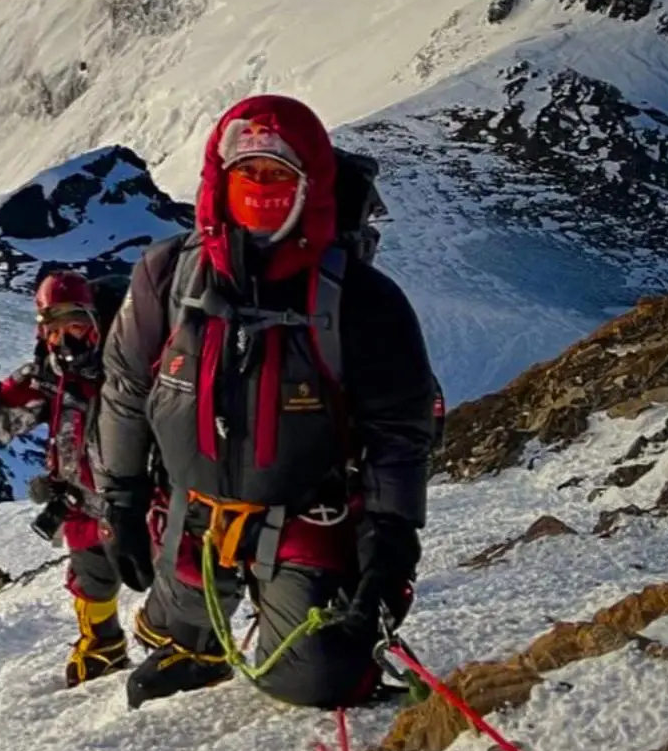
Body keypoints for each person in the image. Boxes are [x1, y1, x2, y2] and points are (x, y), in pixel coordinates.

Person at [93, 95, 437, 709]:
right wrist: (120, 497)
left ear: (312, 183)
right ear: (218, 180)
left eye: (278, 174)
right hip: (192, 510)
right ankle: (194, 640)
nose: (260, 187)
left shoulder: (361, 300)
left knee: (317, 679)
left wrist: (390, 544)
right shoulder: (166, 277)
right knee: (175, 617)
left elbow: (398, 432)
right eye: (246, 172)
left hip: (309, 514)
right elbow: (125, 391)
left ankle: (323, 628)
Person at [0, 270, 132, 687]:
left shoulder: (128, 366)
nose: (65, 337)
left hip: (139, 495)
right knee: (91, 578)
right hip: (78, 499)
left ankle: (184, 638)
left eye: (74, 324)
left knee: (170, 566)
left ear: (94, 321)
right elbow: (3, 424)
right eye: (53, 328)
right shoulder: (44, 375)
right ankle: (103, 644)